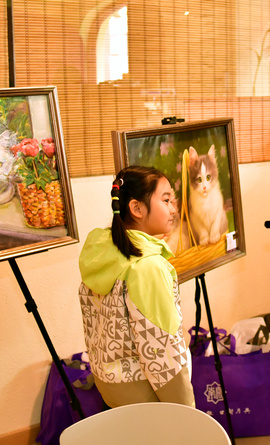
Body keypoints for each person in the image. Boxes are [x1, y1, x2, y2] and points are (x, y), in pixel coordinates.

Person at [78, 165, 195, 407]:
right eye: (166, 200)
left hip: (112, 387)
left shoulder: (104, 249)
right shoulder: (148, 267)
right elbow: (162, 350)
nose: (174, 209)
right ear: (136, 208)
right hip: (145, 393)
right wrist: (187, 411)